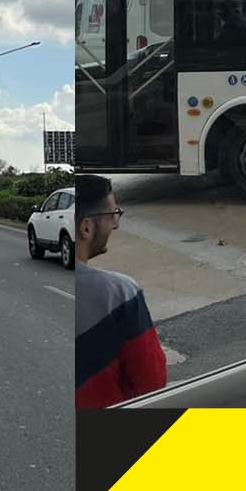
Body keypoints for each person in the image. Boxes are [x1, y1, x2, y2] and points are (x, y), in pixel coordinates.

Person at [74, 174, 168, 408]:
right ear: (87, 227)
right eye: (113, 215)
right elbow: (152, 386)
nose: (115, 224)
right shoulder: (120, 294)